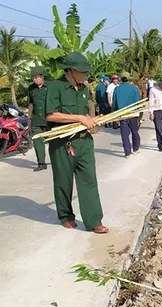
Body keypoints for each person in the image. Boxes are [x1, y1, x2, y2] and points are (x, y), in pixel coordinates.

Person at [44, 52, 108, 234]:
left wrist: (93, 120)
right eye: (82, 71)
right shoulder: (55, 87)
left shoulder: (84, 89)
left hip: (84, 142)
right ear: (71, 71)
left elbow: (85, 116)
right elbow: (51, 115)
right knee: (63, 181)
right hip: (62, 143)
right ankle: (66, 216)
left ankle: (94, 220)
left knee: (89, 181)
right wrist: (79, 118)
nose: (85, 75)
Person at [112, 72, 142, 158]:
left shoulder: (117, 89)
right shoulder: (134, 88)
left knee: (125, 134)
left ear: (120, 79)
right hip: (133, 114)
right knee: (135, 131)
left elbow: (114, 103)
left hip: (123, 114)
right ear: (129, 79)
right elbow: (138, 101)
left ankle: (127, 153)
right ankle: (136, 149)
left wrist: (114, 112)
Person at [27, 66, 49, 172]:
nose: (34, 80)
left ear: (42, 76)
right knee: (37, 141)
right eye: (33, 78)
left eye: (36, 77)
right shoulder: (31, 88)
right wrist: (29, 118)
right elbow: (30, 104)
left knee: (55, 142)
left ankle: (58, 160)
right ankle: (41, 163)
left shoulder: (50, 86)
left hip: (49, 118)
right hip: (36, 119)